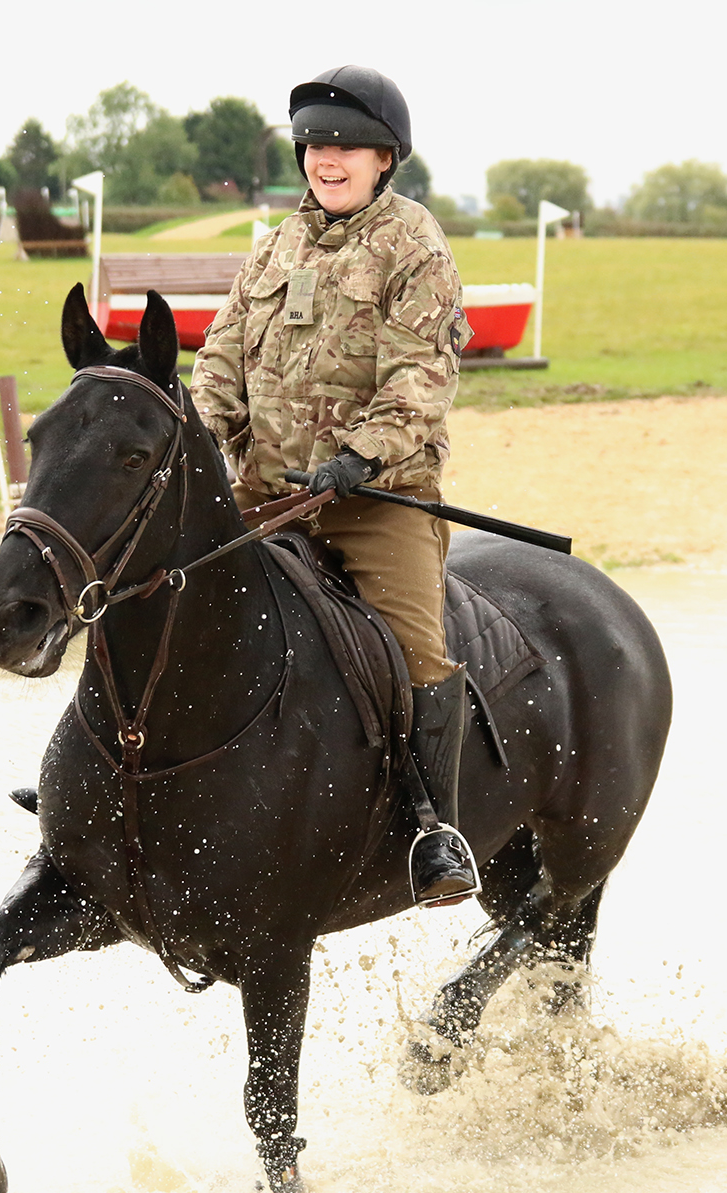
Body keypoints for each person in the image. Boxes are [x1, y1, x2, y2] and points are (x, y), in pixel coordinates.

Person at [191, 65, 477, 906]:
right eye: (315, 142)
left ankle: (435, 830)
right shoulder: (276, 245)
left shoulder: (415, 245)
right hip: (262, 494)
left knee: (415, 651)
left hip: (371, 502)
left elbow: (421, 381)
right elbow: (219, 359)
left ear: (386, 157)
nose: (328, 157)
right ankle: (115, 781)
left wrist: (356, 457)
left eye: (346, 144)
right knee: (155, 594)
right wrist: (203, 434)